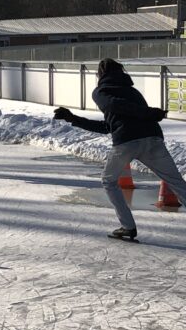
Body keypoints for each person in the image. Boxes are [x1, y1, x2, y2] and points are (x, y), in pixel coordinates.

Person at [53, 57, 186, 241]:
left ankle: (128, 226)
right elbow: (109, 125)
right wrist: (73, 118)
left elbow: (114, 106)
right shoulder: (133, 92)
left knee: (109, 181)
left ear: (100, 74)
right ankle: (127, 227)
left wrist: (148, 113)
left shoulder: (101, 92)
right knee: (176, 182)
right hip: (152, 139)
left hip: (127, 142)